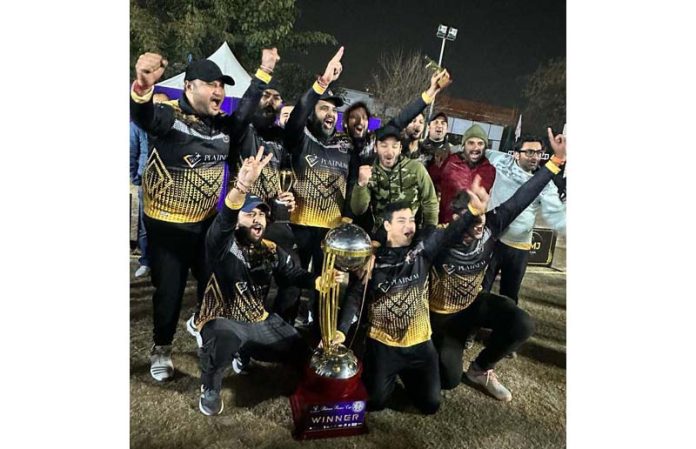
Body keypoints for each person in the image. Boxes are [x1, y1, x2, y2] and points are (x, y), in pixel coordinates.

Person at [130, 48, 279, 382]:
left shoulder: (222, 128)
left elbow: (243, 113)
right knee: (169, 290)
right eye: (211, 84)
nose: (219, 92)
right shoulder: (169, 118)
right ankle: (162, 348)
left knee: (217, 285)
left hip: (208, 225)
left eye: (222, 86)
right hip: (167, 227)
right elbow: (143, 117)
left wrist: (264, 72)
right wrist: (142, 86)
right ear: (188, 87)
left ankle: (206, 332)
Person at [193, 147, 345, 416]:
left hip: (257, 318)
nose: (258, 219)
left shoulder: (271, 249)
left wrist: (319, 280)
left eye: (262, 214)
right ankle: (211, 386)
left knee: (300, 352)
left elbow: (293, 275)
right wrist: (242, 186)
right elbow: (225, 219)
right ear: (238, 220)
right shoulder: (221, 243)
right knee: (223, 340)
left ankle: (245, 352)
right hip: (223, 318)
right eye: (250, 214)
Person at [428, 128, 566, 402]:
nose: (479, 227)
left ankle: (481, 369)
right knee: (447, 379)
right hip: (440, 317)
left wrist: (555, 162)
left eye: (481, 217)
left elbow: (524, 195)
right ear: (457, 219)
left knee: (521, 322)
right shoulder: (441, 237)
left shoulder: (491, 223)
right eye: (471, 219)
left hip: (471, 305)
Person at [335, 195, 484, 415]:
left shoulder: (423, 250)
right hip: (384, 344)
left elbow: (451, 231)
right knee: (375, 402)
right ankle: (380, 369)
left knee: (430, 404)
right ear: (387, 225)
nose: (409, 226)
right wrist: (341, 331)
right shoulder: (370, 262)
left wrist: (472, 211)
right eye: (402, 221)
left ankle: (406, 373)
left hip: (420, 344)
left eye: (412, 220)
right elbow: (354, 298)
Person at [282, 47, 353, 331]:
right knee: (292, 284)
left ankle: (316, 328)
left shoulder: (345, 144)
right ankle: (281, 331)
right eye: (324, 107)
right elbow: (297, 114)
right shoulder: (300, 137)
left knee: (326, 285)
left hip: (331, 231)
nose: (330, 114)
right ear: (312, 112)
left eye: (334, 110)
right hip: (299, 225)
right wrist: (321, 83)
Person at [349, 70, 451, 238]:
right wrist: (361, 184)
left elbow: (402, 118)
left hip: (403, 232)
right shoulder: (343, 146)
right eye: (354, 118)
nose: (360, 122)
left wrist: (430, 92)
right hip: (369, 227)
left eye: (364, 118)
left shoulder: (410, 163)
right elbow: (358, 207)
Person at [482, 134, 566, 304]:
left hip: (519, 247)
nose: (535, 157)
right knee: (481, 290)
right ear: (515, 153)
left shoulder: (546, 184)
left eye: (538, 153)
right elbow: (476, 149)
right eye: (529, 152)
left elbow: (557, 215)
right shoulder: (500, 160)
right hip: (492, 240)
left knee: (509, 297)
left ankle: (504, 330)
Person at [437, 124, 497, 224]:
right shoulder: (448, 162)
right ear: (463, 145)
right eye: (471, 143)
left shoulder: (490, 170)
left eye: (480, 143)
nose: (476, 147)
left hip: (472, 227)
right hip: (446, 225)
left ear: (485, 147)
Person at [130, 121, 150, 277]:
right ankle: (145, 262)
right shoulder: (138, 126)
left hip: (171, 183)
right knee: (145, 225)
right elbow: (131, 152)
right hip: (146, 182)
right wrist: (136, 177)